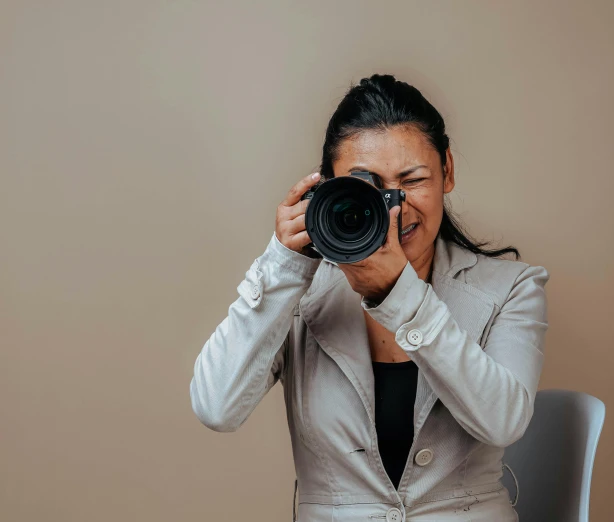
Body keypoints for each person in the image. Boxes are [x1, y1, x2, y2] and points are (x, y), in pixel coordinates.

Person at [190, 74, 549, 521]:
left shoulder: (512, 287)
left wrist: (398, 295)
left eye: (412, 179)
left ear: (448, 171)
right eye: (368, 187)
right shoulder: (301, 292)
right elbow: (216, 406)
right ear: (329, 191)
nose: (393, 207)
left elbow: (504, 421)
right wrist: (283, 264)